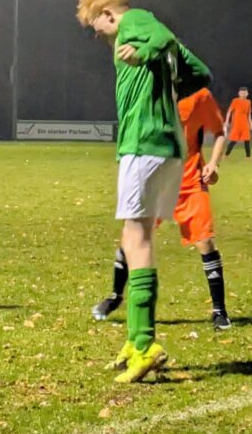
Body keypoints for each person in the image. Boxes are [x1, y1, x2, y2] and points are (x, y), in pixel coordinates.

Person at [76, 0, 211, 383]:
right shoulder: (142, 37)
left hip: (144, 142)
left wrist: (144, 52)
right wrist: (164, 82)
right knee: (137, 235)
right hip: (168, 147)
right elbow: (200, 73)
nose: (97, 35)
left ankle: (145, 342)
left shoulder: (133, 22)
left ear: (107, 13)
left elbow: (163, 38)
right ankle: (135, 340)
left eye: (95, 26)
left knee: (137, 239)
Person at [92, 87, 231, 330]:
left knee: (206, 242)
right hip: (155, 179)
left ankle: (219, 310)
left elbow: (220, 132)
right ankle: (115, 296)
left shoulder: (199, 95)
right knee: (132, 237)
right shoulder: (149, 89)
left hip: (189, 182)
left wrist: (214, 164)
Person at [225, 86, 252, 157]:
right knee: (233, 140)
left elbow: (249, 115)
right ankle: (226, 155)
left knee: (247, 140)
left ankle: (248, 157)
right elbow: (229, 111)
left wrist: (251, 124)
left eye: (245, 93)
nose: (243, 94)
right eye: (242, 93)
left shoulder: (248, 102)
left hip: (245, 124)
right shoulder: (235, 101)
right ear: (239, 93)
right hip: (236, 124)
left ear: (247, 94)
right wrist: (227, 121)